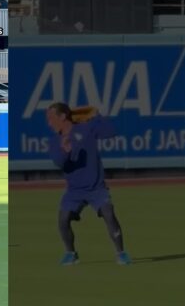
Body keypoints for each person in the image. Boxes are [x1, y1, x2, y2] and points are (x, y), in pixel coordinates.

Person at [46, 102, 131, 266]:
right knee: (63, 219)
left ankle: (121, 253)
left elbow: (111, 132)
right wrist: (65, 151)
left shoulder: (85, 128)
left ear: (63, 117)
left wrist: (97, 116)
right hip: (74, 190)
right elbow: (59, 163)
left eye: (51, 118)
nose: (49, 123)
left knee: (108, 212)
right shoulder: (55, 141)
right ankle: (71, 253)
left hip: (96, 187)